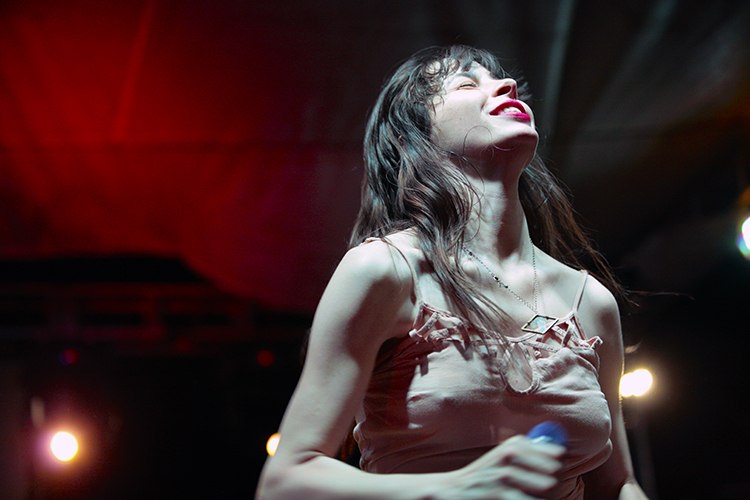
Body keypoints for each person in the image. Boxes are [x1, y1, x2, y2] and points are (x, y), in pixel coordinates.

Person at [256, 45, 648, 499]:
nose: (507, 86)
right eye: (466, 83)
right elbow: (285, 482)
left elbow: (618, 485)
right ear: (415, 135)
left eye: (504, 81)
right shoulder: (386, 270)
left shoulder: (590, 301)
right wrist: (455, 487)